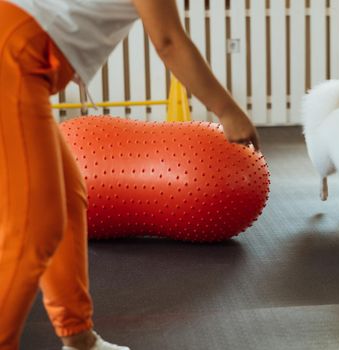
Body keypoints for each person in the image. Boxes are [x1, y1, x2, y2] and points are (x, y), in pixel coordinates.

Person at [0, 0, 260, 349]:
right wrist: (228, 110)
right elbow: (168, 40)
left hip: (20, 57)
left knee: (67, 198)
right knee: (35, 225)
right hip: (12, 54)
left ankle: (79, 338)